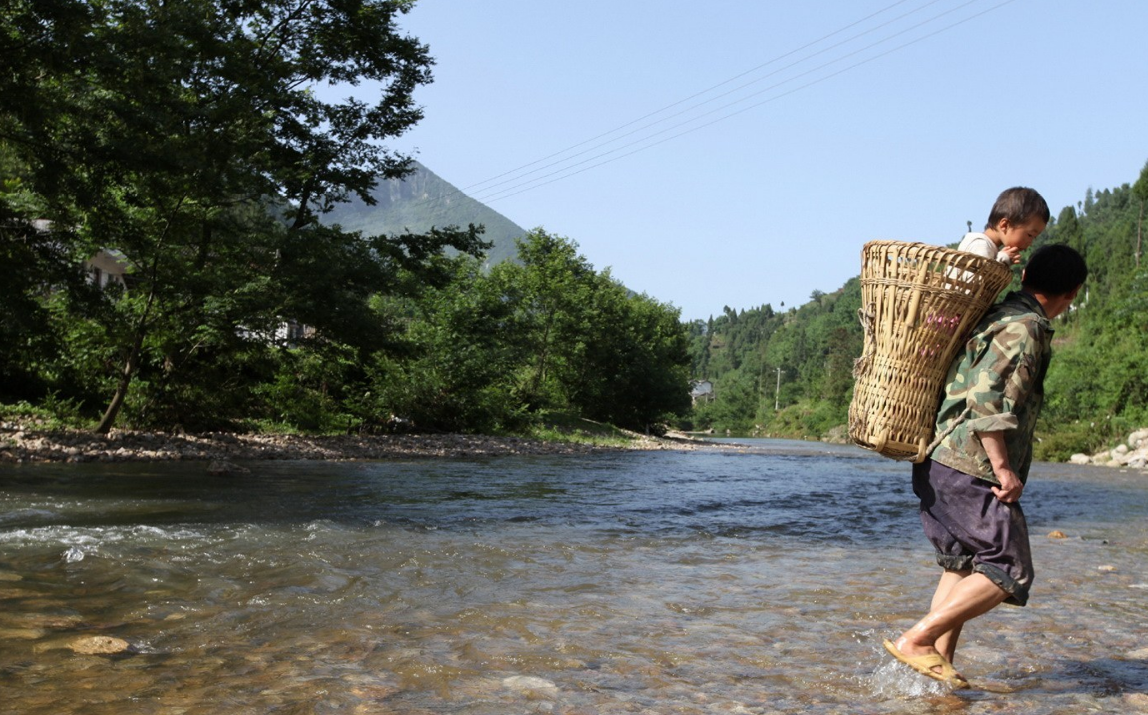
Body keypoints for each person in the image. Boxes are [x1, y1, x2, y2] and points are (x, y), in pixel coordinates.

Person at [884, 243, 1088, 688]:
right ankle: (916, 640)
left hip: (938, 460)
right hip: (969, 464)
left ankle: (938, 679)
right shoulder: (1028, 326)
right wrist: (1004, 469)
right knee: (1010, 567)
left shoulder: (998, 312)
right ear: (1070, 293)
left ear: (1027, 276)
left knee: (959, 568)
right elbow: (986, 401)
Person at [958, 187, 1050, 264]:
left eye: (1034, 238)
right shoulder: (980, 245)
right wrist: (1002, 259)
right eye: (1030, 235)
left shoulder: (991, 248)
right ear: (1005, 225)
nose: (1030, 243)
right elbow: (977, 278)